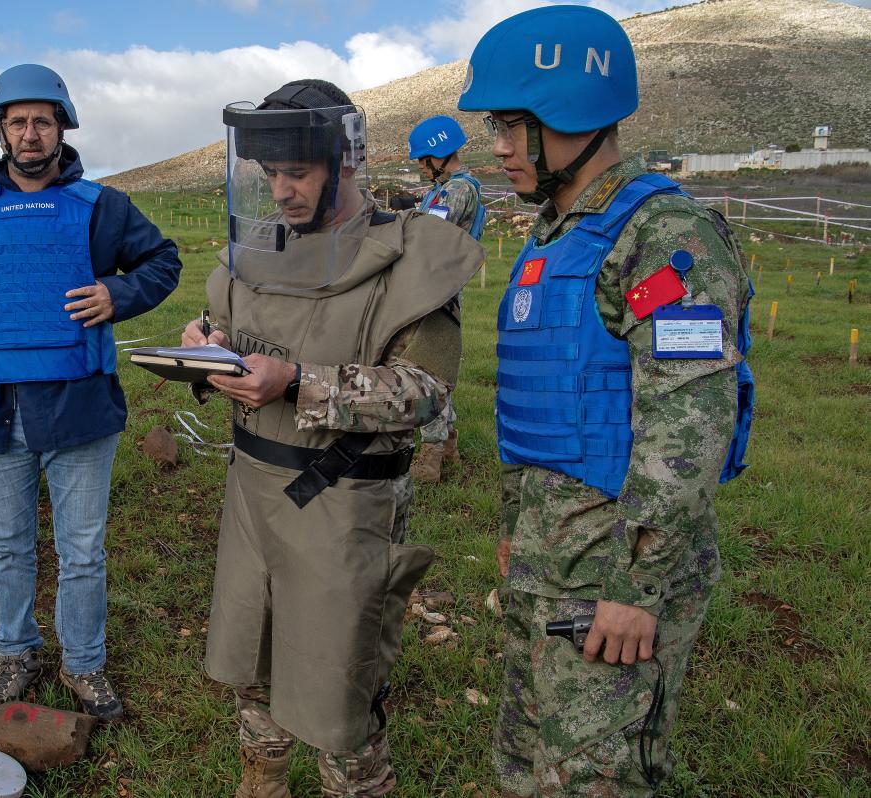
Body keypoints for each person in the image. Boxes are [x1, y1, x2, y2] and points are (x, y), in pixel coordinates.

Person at [456, 6, 754, 795]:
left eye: (512, 126)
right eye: (494, 126)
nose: (498, 147)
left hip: (614, 577)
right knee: (524, 765)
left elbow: (688, 424)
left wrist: (635, 588)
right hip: (549, 562)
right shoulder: (554, 234)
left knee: (595, 779)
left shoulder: (664, 236)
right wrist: (516, 540)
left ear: (574, 116)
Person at [183, 79, 484, 797]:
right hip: (253, 494)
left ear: (344, 161)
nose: (280, 191)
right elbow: (229, 329)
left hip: (348, 503)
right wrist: (205, 345)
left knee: (342, 689)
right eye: (270, 174)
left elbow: (425, 393)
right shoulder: (260, 247)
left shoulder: (411, 258)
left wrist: (298, 383)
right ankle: (261, 782)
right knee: (254, 659)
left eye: (296, 173)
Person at [0, 64, 181, 721]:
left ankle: (83, 664)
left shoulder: (102, 206)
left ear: (62, 128)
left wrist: (118, 293)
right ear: (0, 132)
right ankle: (16, 653)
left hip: (81, 409)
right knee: (8, 547)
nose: (30, 133)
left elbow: (163, 260)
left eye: (43, 121)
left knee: (81, 551)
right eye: (18, 122)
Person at [407, 115, 487, 483]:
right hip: (435, 287)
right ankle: (449, 444)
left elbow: (429, 235)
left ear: (438, 155)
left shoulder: (458, 190)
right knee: (434, 366)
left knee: (428, 369)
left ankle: (431, 455)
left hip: (438, 291)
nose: (422, 168)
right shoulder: (446, 188)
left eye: (424, 161)